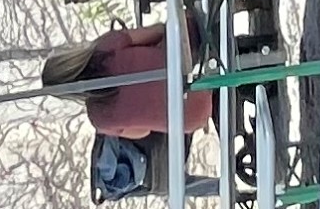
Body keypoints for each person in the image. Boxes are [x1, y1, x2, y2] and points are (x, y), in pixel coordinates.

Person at [39, 23, 211, 137]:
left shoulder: (100, 120)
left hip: (194, 113)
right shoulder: (104, 48)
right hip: (194, 65)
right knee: (186, 20)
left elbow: (143, 132)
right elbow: (156, 32)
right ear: (68, 58)